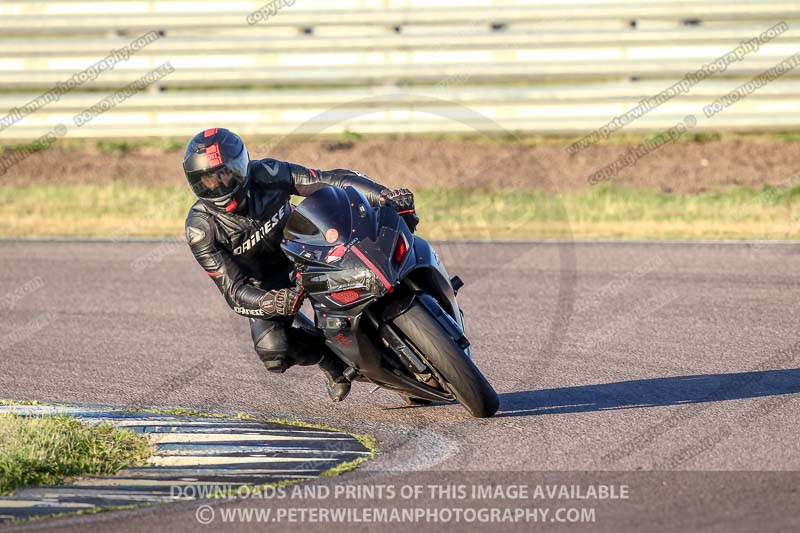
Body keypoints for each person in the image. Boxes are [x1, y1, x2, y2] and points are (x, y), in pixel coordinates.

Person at [182, 128, 417, 402]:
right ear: (195, 184)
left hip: (308, 251)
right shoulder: (200, 230)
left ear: (242, 166)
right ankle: (329, 357)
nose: (220, 186)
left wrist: (383, 195)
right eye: (208, 180)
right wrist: (270, 303)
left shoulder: (267, 173)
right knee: (273, 352)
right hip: (267, 284)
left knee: (379, 249)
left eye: (225, 174)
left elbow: (330, 180)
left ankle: (418, 285)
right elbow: (233, 292)